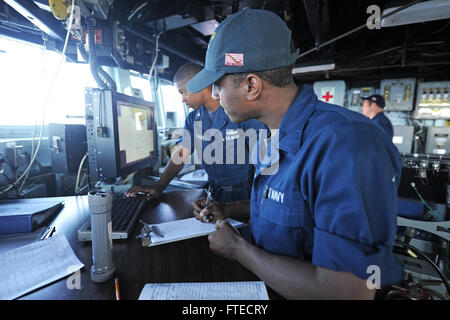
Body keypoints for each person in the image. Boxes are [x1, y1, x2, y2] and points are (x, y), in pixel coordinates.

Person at [187, 8, 403, 299]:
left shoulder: (346, 145)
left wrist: (239, 250)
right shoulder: (275, 133)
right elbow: (289, 210)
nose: (214, 95)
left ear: (251, 86)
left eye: (218, 84)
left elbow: (349, 292)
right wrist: (227, 210)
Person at [126, 63, 266, 203]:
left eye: (183, 92)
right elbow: (180, 155)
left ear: (201, 84)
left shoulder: (238, 112)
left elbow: (264, 159)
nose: (182, 98)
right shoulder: (193, 119)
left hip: (243, 195)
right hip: (213, 193)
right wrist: (158, 188)